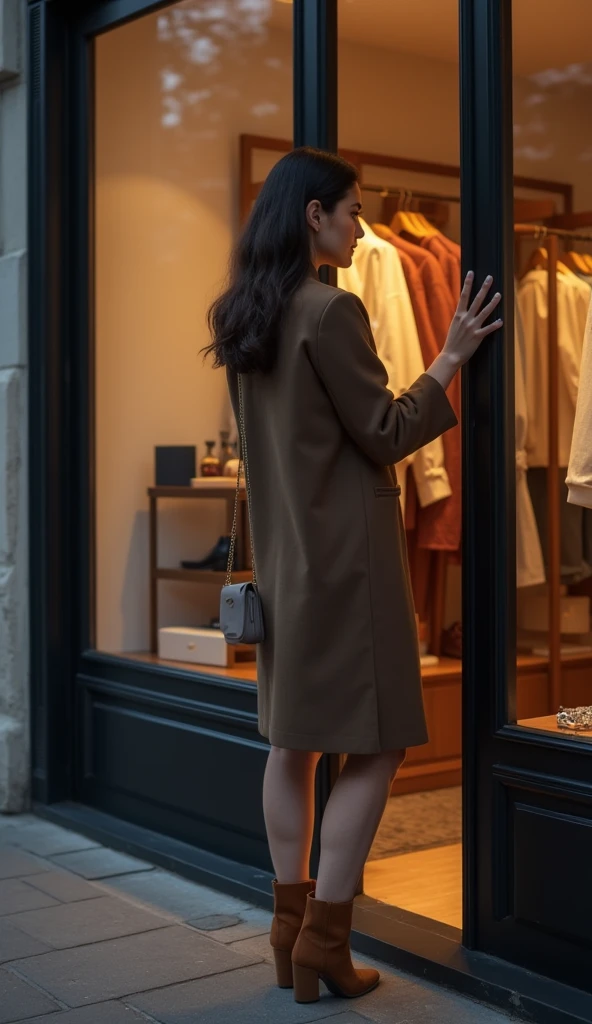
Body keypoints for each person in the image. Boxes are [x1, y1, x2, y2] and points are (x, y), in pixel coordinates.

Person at [204, 147, 502, 1004]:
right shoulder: (331, 311)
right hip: (351, 567)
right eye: (351, 208)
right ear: (313, 215)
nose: (361, 224)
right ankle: (326, 940)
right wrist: (448, 359)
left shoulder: (244, 316)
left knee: (292, 745)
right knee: (380, 744)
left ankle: (291, 929)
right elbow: (384, 430)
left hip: (287, 567)